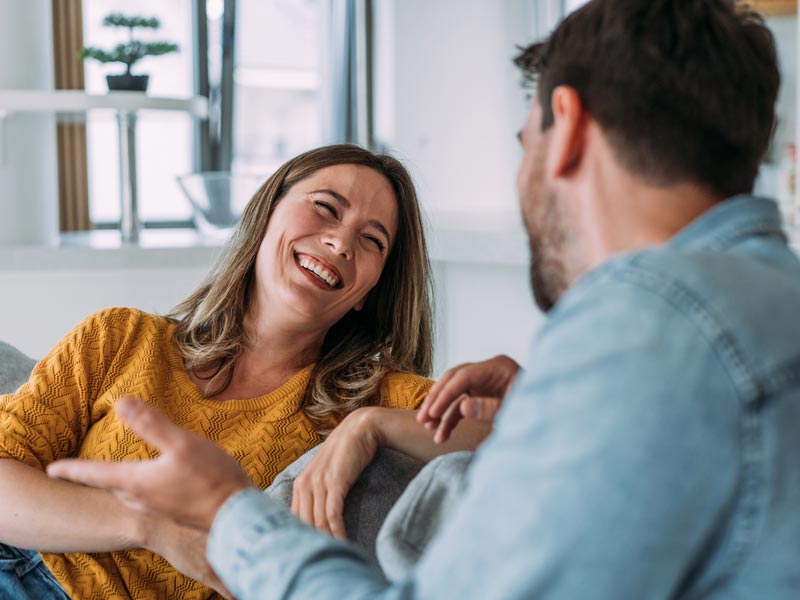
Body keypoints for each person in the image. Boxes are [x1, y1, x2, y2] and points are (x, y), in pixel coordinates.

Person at [48, 0, 800, 598]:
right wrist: (544, 401)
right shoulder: (758, 310)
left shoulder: (647, 332)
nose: (340, 244)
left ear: (565, 130)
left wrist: (225, 514)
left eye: (521, 141)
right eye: (323, 209)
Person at [0, 144, 489, 600]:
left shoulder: (374, 398)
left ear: (366, 293)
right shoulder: (120, 336)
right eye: (326, 207)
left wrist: (370, 425)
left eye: (372, 240)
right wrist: (150, 527)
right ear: (266, 215)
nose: (341, 242)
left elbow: (516, 439)